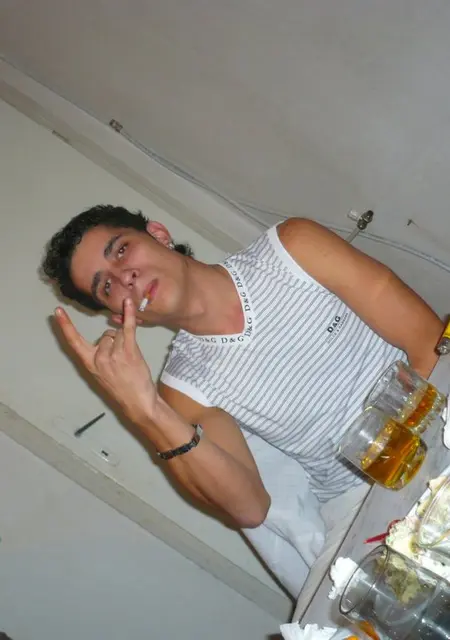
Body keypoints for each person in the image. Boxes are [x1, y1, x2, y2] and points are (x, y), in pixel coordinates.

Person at [42, 204, 443, 594]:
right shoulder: (182, 388)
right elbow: (249, 508)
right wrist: (146, 410)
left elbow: (427, 342)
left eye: (121, 250)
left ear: (158, 234)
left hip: (434, 419)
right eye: (106, 286)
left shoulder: (293, 249)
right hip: (363, 501)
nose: (125, 277)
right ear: (119, 315)